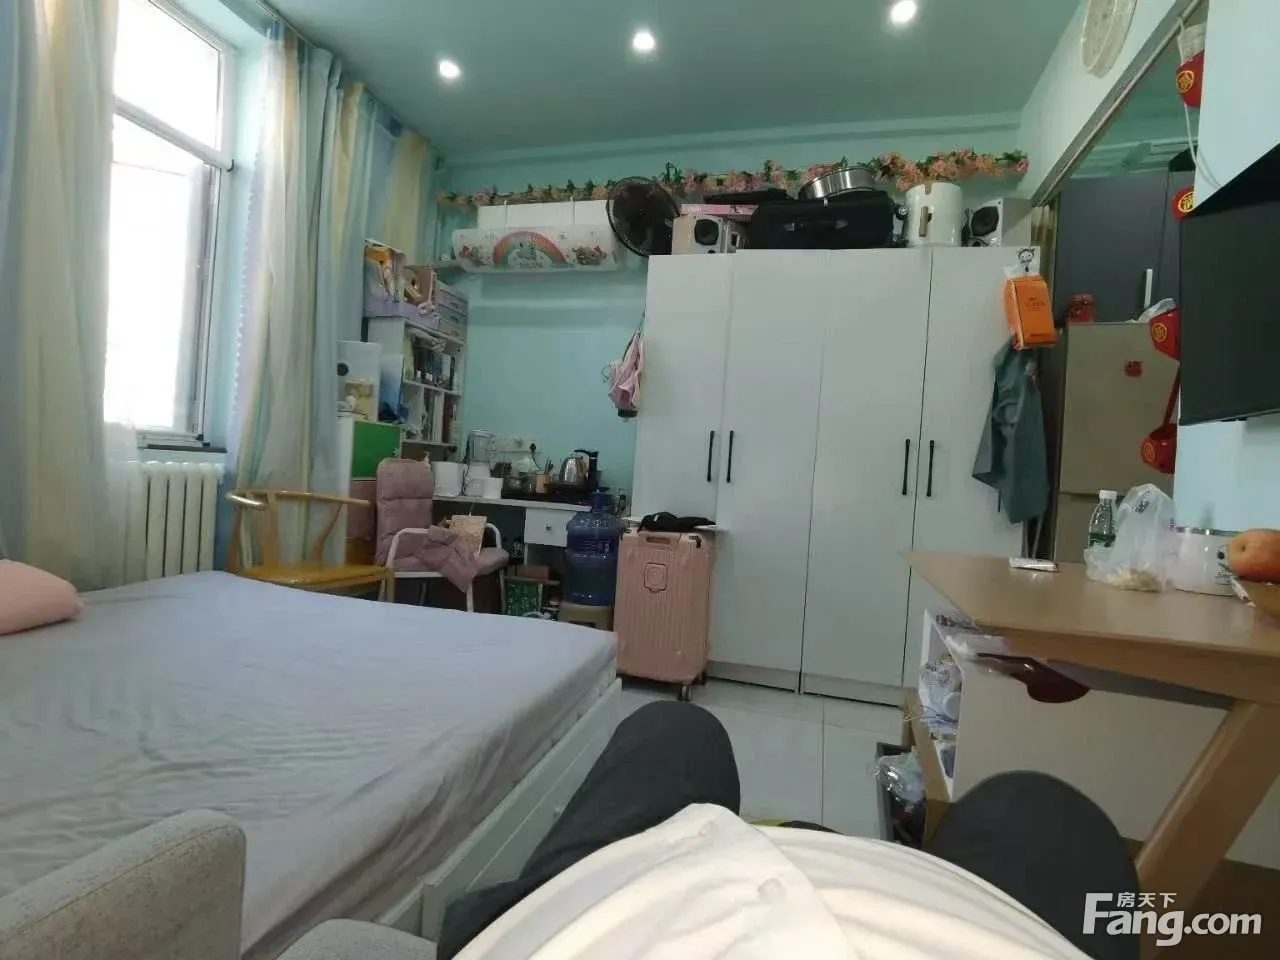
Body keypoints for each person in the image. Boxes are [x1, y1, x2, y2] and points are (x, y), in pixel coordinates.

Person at [441, 701, 1137, 960]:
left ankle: (508, 912)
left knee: (676, 729)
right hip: (948, 922)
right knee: (1038, 808)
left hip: (605, 912)